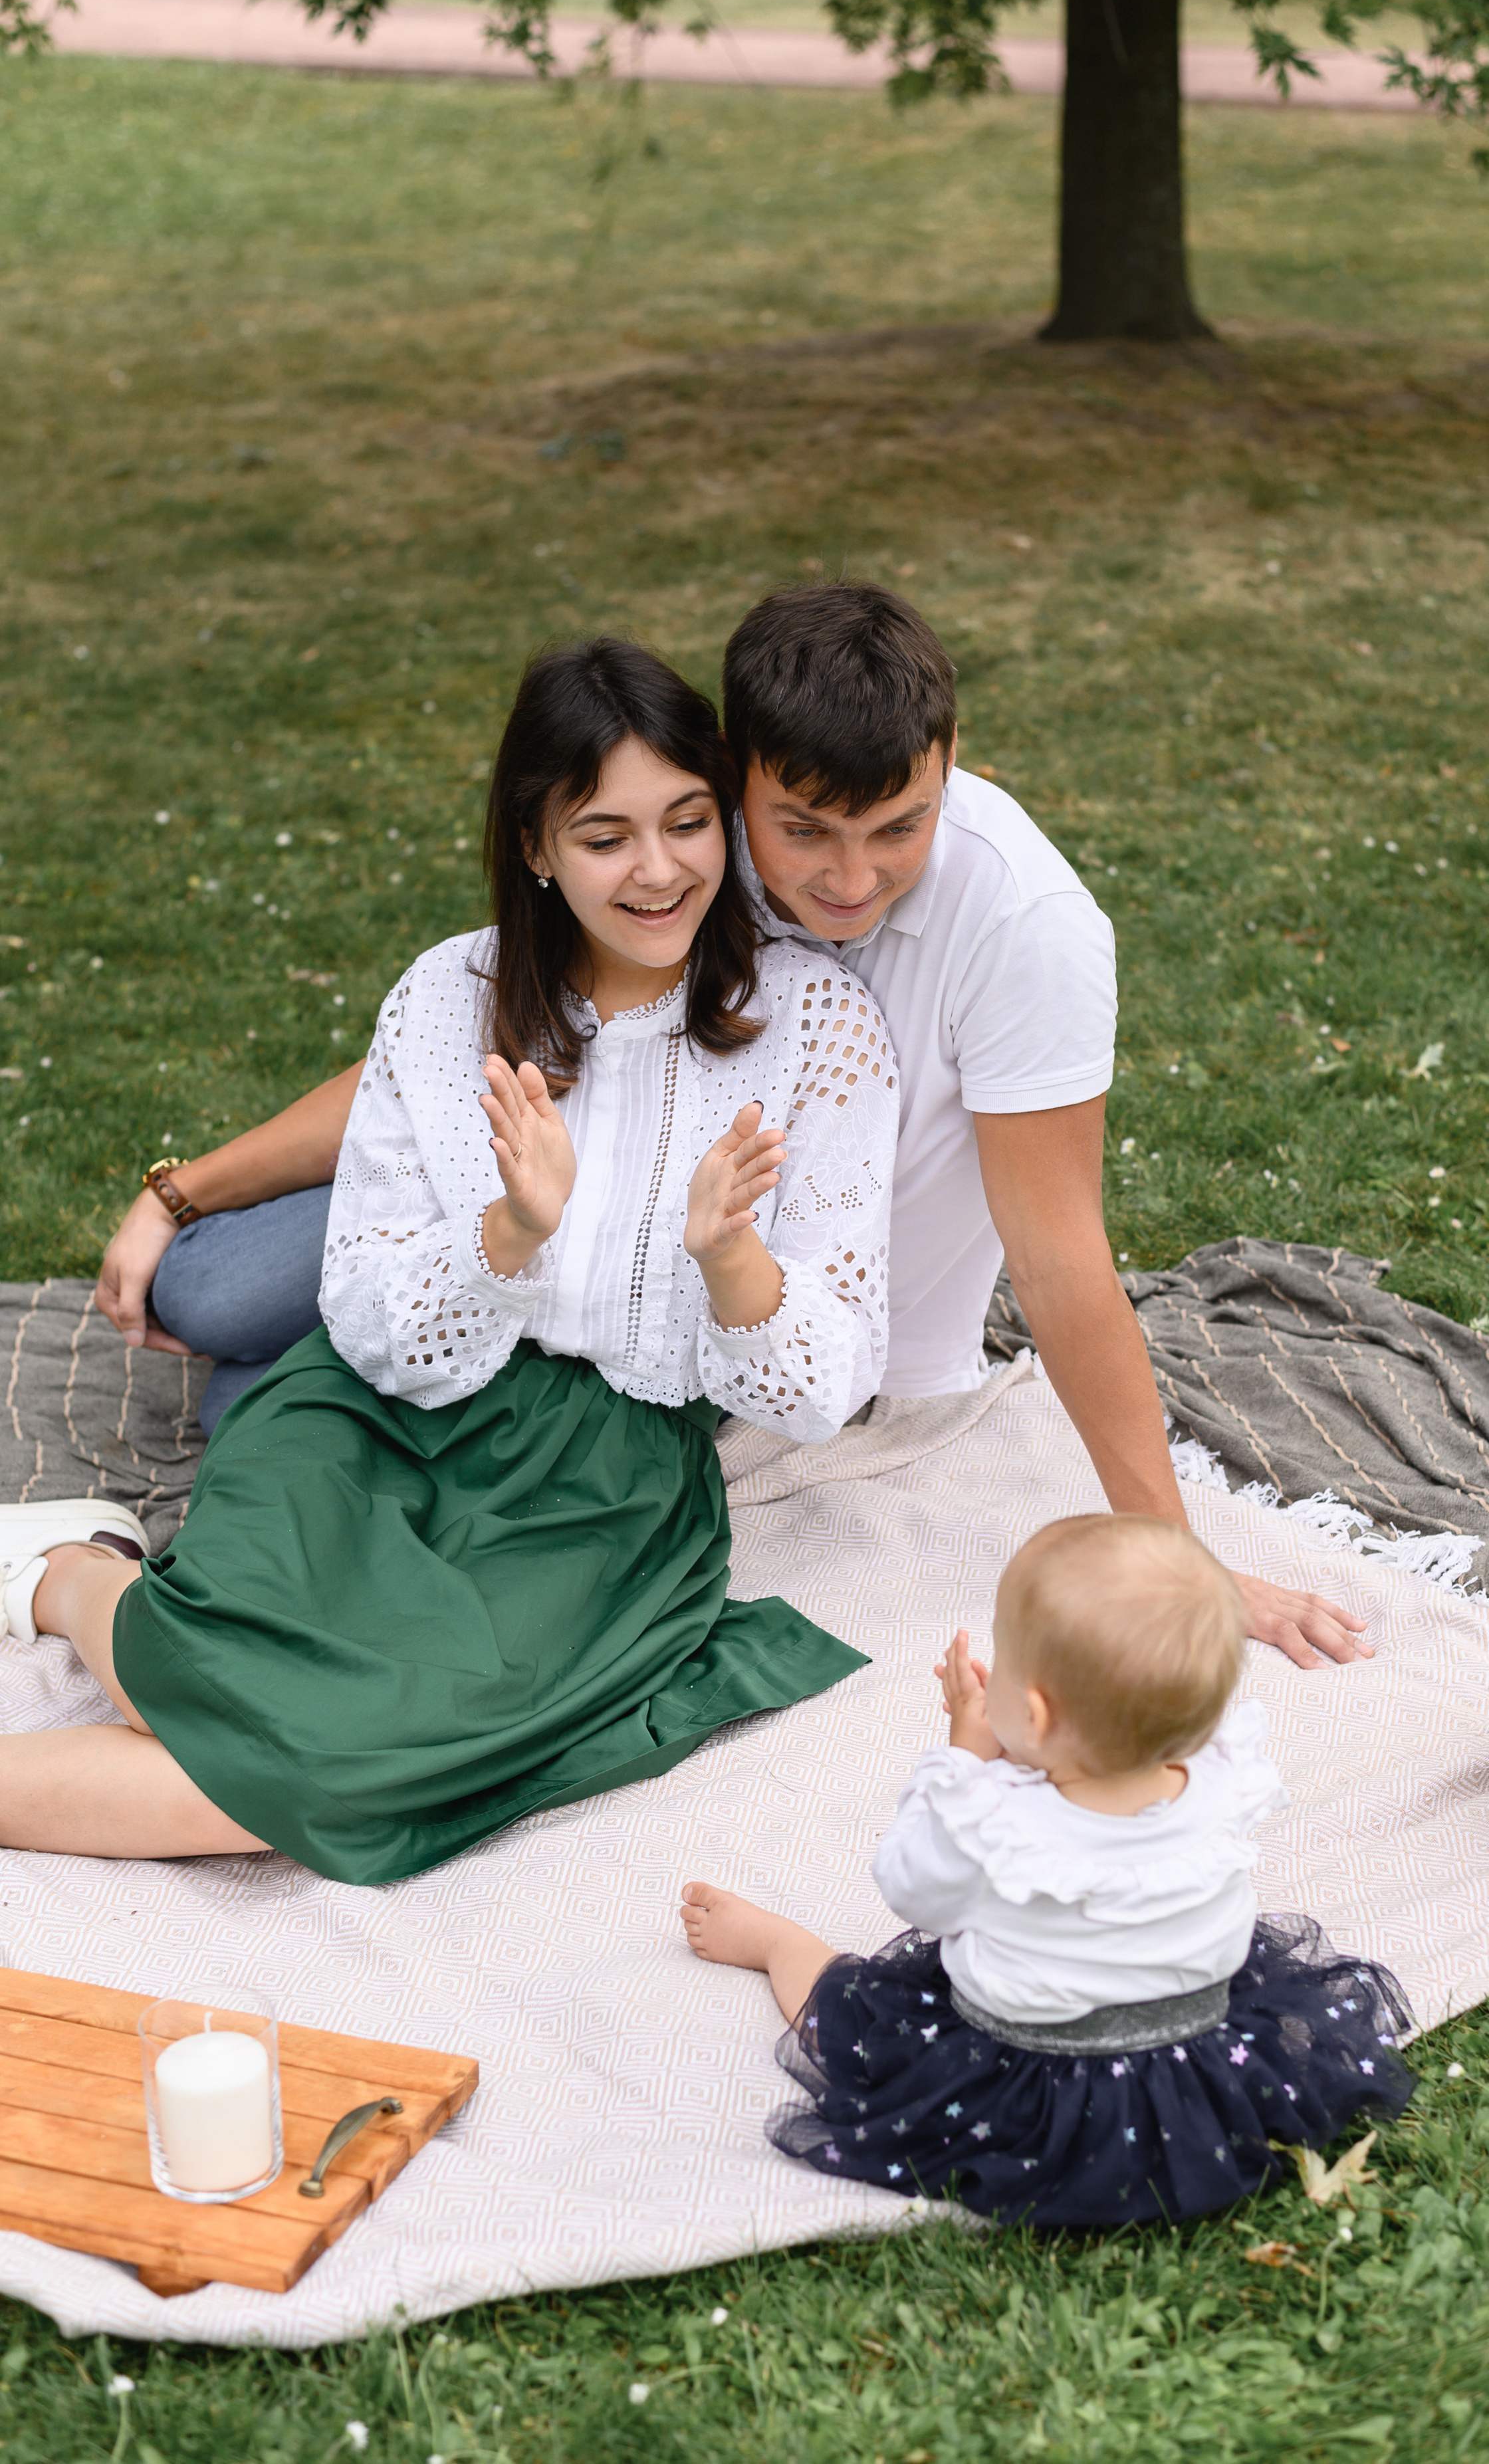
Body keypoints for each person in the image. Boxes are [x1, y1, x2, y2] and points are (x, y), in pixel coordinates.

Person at [94, 584, 1365, 1670]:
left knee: (302, 1400)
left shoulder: (1025, 929)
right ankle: (320, 1386)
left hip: (718, 1295)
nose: (850, 879)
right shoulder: (691, 844)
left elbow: (1060, 1254)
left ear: (952, 759)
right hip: (536, 1211)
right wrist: (182, 1188)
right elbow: (454, 1048)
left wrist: (1175, 1551)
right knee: (208, 1288)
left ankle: (296, 1411)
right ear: (739, 768)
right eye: (803, 830)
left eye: (901, 827)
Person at [0, 639, 895, 1882]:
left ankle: (69, 1574)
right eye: (605, 836)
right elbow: (367, 1313)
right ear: (536, 845)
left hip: (603, 1488)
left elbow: (826, 1381)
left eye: (689, 822)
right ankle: (71, 1571)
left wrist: (730, 1258)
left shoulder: (817, 1024)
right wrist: (508, 1234)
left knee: (327, 1769)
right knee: (225, 1699)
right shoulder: (445, 997)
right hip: (387, 1416)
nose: (658, 869)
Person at [681, 1515, 1415, 2228]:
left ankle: (779, 1946)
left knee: (858, 2011)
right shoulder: (1221, 1775)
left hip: (1030, 2086)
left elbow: (910, 1885)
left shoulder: (993, 1823)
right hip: (1200, 2070)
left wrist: (962, 1759)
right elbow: (1110, 1735)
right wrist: (1044, 1744)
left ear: (1031, 1715)